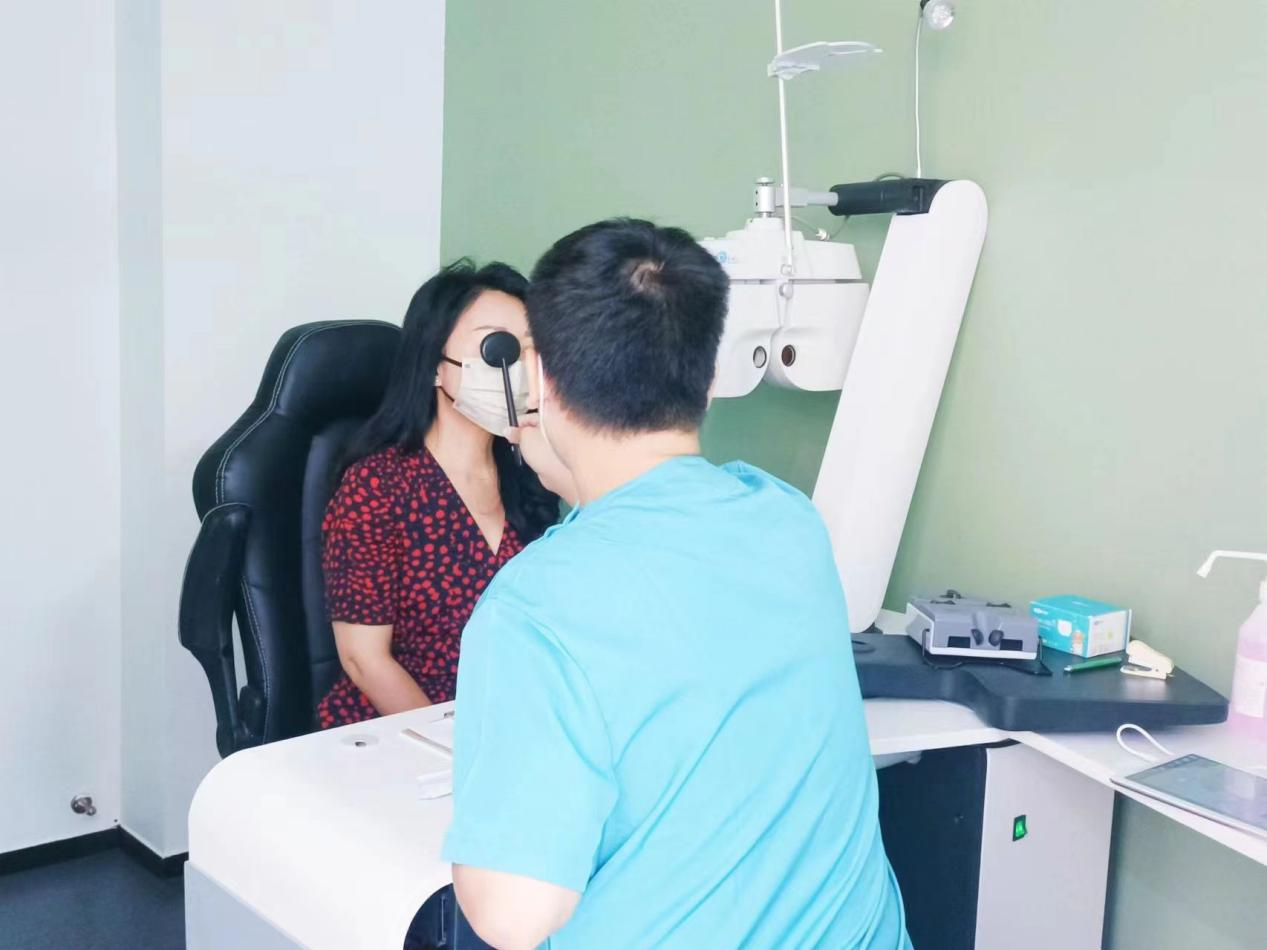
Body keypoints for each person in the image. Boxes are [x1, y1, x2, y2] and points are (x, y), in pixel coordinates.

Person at [443, 219, 910, 947]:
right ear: (709, 376)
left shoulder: (533, 608)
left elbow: (513, 916)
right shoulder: (788, 520)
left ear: (539, 379)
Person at [316, 261, 558, 728]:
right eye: (497, 347)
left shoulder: (534, 474)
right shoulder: (377, 486)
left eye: (528, 349)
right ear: (433, 366)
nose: (515, 367)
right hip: (400, 733)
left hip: (506, 726)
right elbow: (364, 660)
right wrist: (451, 746)